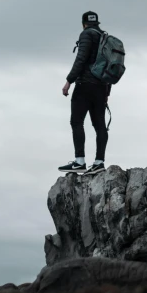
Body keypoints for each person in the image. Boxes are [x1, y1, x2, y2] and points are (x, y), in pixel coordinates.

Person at [59, 11, 111, 175]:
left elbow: (80, 59)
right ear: (97, 23)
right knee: (100, 125)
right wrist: (107, 90)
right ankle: (99, 162)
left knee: (76, 121)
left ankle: (79, 161)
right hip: (101, 86)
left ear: (83, 23)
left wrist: (69, 80)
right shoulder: (105, 38)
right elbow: (110, 66)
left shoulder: (86, 35)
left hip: (85, 84)